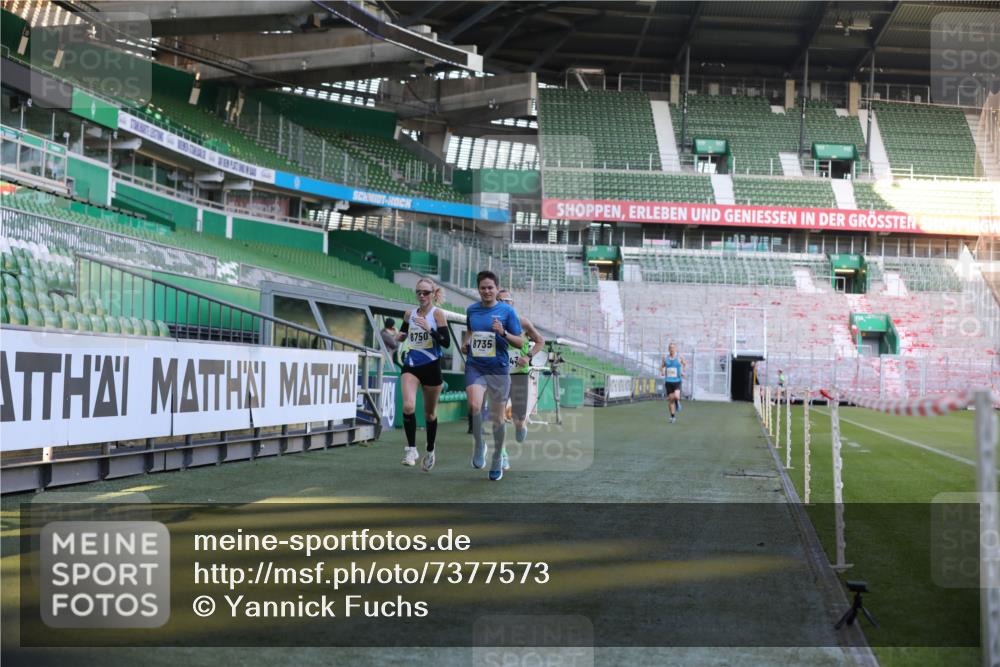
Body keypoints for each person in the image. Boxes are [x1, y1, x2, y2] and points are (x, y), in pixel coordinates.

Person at [462, 271, 523, 481]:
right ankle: (479, 445)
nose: (487, 291)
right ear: (478, 289)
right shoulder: (471, 310)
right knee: (474, 406)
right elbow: (470, 331)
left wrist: (503, 333)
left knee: (497, 418)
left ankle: (497, 457)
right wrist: (466, 342)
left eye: (490, 287)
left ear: (497, 289)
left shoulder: (507, 312)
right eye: (483, 287)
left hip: (498, 368)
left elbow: (521, 342)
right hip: (475, 366)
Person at [397, 278, 450, 471]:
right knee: (409, 405)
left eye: (426, 292)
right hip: (411, 364)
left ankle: (430, 449)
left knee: (429, 414)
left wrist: (430, 330)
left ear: (433, 294)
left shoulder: (438, 315)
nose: (421, 295)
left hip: (432, 365)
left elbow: (446, 343)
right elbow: (403, 334)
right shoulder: (409, 314)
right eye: (418, 292)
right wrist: (399, 336)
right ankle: (411, 449)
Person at [497, 288, 544, 469]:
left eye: (505, 301)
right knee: (498, 416)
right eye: (498, 300)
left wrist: (529, 357)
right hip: (499, 374)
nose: (501, 304)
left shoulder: (522, 322)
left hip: (518, 373)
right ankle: (502, 454)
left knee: (518, 417)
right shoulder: (491, 322)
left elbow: (540, 340)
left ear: (512, 304)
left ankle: (520, 425)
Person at [660, 342, 686, 423]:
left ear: (676, 349)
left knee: (677, 397)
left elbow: (685, 364)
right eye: (670, 348)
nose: (672, 349)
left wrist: (683, 372)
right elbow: (662, 366)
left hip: (677, 381)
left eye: (673, 348)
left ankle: (677, 401)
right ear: (668, 349)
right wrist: (662, 371)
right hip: (668, 381)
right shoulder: (665, 358)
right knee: (671, 400)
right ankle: (672, 416)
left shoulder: (679, 358)